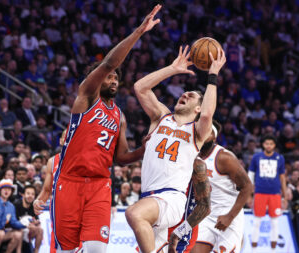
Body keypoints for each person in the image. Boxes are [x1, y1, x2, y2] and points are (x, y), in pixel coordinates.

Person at [51, 5, 161, 253]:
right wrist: (138, 32)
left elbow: (120, 158)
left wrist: (144, 149)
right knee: (67, 250)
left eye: (116, 78)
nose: (112, 80)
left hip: (100, 184)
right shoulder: (87, 97)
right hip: (69, 181)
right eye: (108, 76)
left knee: (96, 250)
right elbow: (110, 61)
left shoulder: (119, 116)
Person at [126, 44, 226, 253]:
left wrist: (213, 75)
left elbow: (207, 115)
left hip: (171, 198)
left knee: (134, 214)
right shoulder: (161, 117)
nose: (185, 95)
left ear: (198, 108)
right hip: (149, 198)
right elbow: (140, 87)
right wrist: (172, 69)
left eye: (191, 96)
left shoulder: (197, 131)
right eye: (185, 93)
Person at [169, 123, 252, 253]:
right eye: (202, 131)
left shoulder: (224, 157)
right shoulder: (190, 156)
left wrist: (230, 216)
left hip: (228, 213)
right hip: (204, 214)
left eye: (209, 132)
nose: (204, 134)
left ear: (215, 137)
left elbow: (247, 186)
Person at [248, 135, 288, 253]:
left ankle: (273, 251)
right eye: (266, 143)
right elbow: (250, 175)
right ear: (263, 145)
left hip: (275, 194)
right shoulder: (256, 157)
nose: (269, 145)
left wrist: (285, 195)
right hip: (260, 192)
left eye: (271, 143)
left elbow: (282, 177)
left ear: (274, 145)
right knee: (256, 222)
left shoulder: (280, 158)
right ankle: (253, 250)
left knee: (275, 223)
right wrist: (249, 195)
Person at [34, 129, 66, 253]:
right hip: (58, 206)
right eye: (65, 137)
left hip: (78, 206)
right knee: (56, 242)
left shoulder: (83, 160)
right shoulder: (52, 161)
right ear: (61, 140)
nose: (68, 139)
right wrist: (38, 200)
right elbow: (47, 189)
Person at [0, 179, 26, 253]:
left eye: (9, 189)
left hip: (1, 231)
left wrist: (25, 224)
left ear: (11, 192)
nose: (7, 191)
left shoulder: (11, 206)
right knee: (1, 233)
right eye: (4, 189)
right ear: (0, 190)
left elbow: (13, 222)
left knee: (18, 234)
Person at [14, 185, 43, 253]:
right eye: (28, 193)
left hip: (29, 232)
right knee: (21, 231)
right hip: (18, 231)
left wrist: (36, 223)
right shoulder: (16, 205)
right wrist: (27, 226)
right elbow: (13, 223)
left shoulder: (34, 207)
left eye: (32, 194)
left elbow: (37, 222)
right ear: (23, 195)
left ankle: (36, 251)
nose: (30, 196)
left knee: (40, 230)